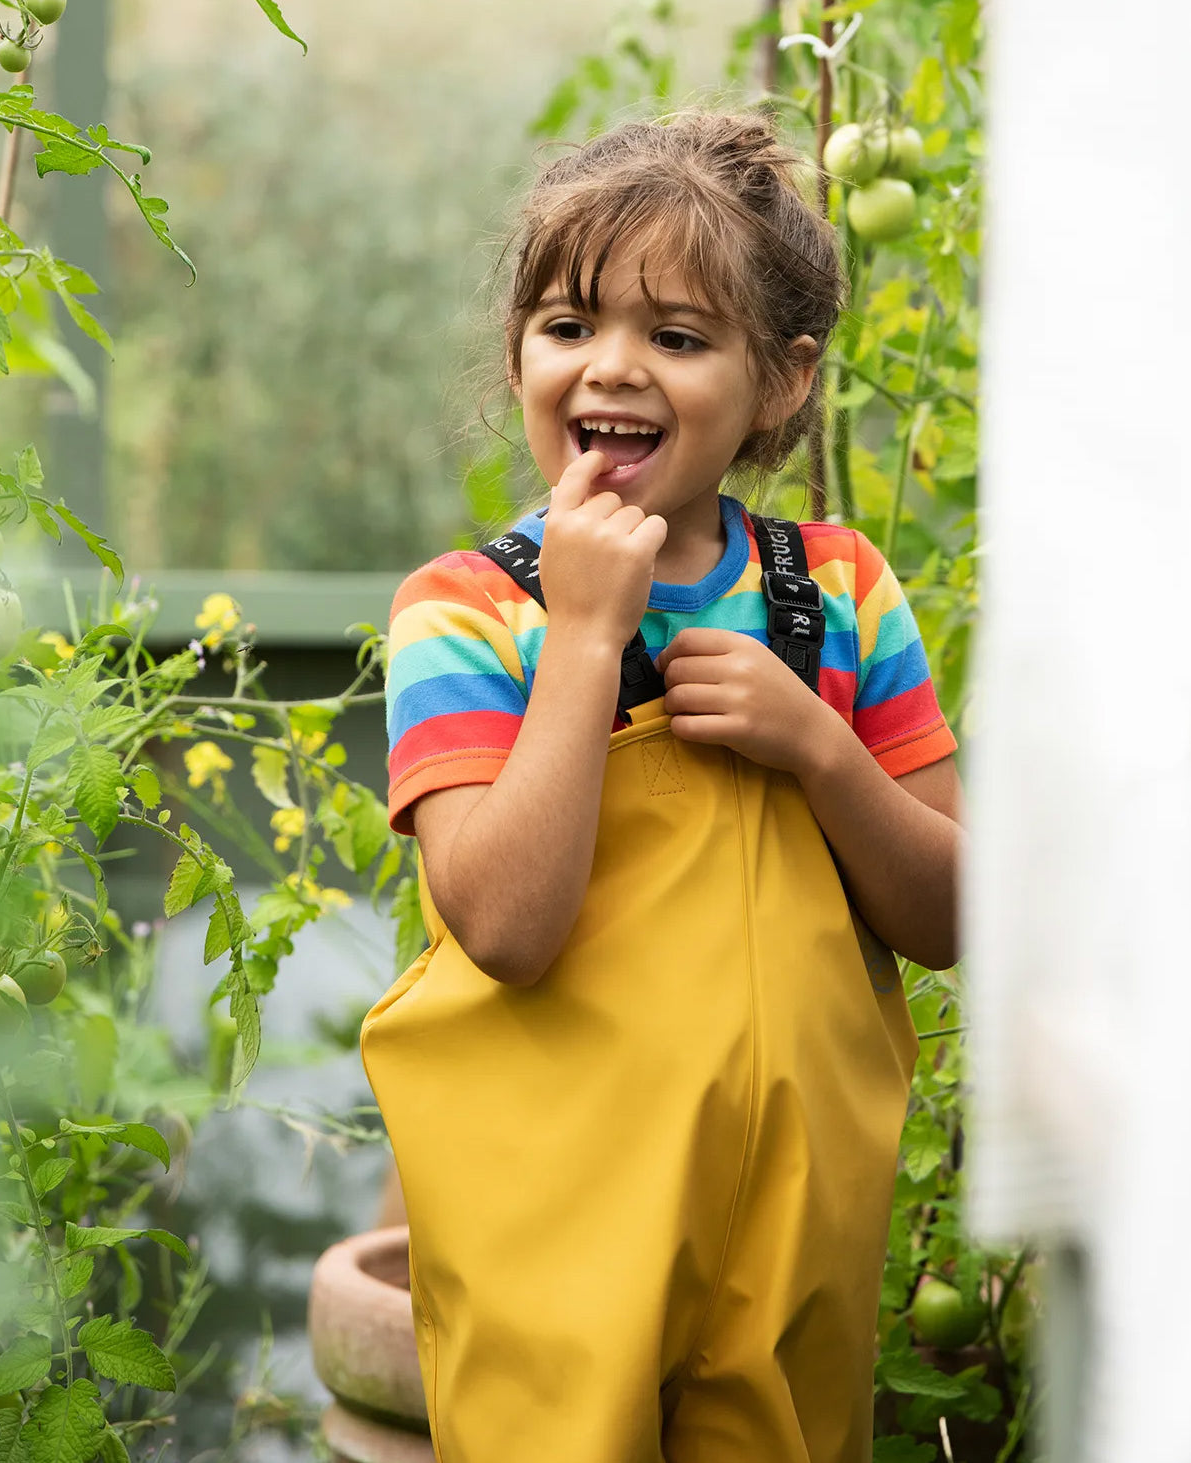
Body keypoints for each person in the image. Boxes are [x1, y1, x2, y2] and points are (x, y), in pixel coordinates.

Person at [360, 109, 961, 1463]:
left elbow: (953, 914)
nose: (609, 368)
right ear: (519, 351)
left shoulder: (840, 593)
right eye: (567, 325)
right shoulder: (465, 613)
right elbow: (503, 929)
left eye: (677, 338)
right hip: (553, 1230)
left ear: (782, 380)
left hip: (796, 1232)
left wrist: (817, 748)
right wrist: (582, 637)